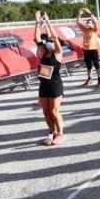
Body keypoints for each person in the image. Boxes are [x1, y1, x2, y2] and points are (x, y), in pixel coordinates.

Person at [34, 11, 65, 145]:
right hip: (43, 86)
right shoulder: (42, 52)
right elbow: (36, 38)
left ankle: (60, 133)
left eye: (52, 41)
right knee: (46, 112)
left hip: (55, 86)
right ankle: (51, 132)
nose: (50, 43)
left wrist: (47, 22)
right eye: (48, 41)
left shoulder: (57, 54)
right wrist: (36, 22)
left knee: (54, 111)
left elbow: (55, 37)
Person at [77, 8, 100, 87]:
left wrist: (90, 13)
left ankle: (99, 79)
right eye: (87, 22)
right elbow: (78, 22)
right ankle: (90, 79)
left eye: (90, 22)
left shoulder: (95, 29)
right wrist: (79, 14)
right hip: (86, 50)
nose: (88, 24)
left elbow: (95, 21)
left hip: (93, 49)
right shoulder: (84, 29)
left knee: (96, 64)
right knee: (88, 66)